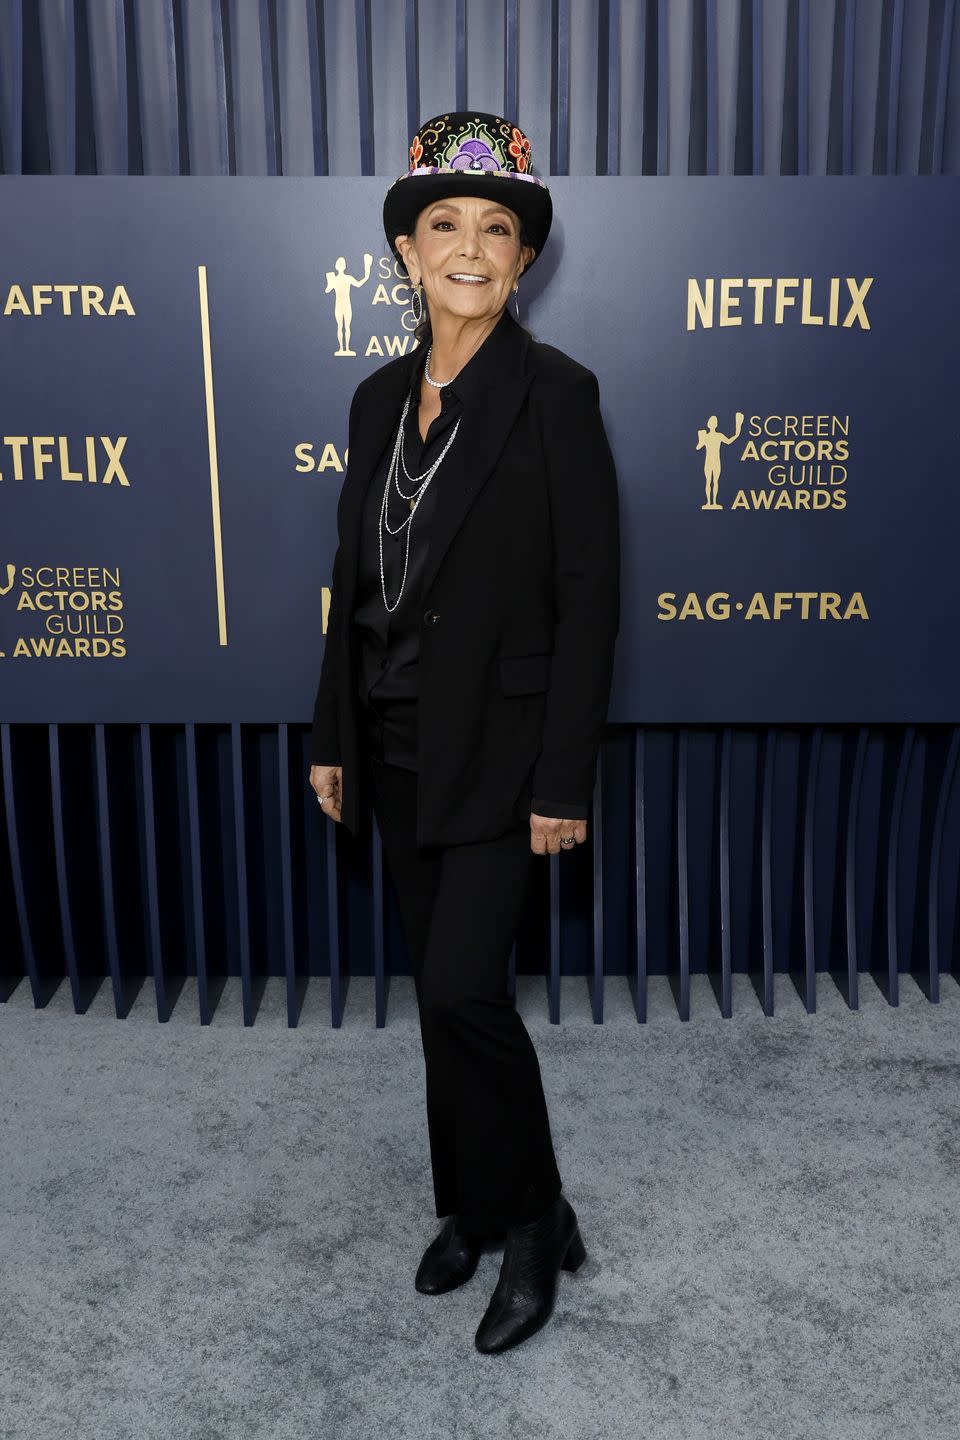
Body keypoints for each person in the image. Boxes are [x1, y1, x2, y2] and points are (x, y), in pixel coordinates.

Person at [307, 109, 620, 1355]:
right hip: (391, 744)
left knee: (463, 990)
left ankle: (539, 1222)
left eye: (498, 228)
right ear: (405, 249)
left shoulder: (557, 394)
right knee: (436, 1005)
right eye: (447, 225)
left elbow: (591, 597)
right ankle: (468, 1205)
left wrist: (563, 778)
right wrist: (332, 735)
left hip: (503, 750)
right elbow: (355, 583)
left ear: (524, 259)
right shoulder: (377, 397)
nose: (472, 248)